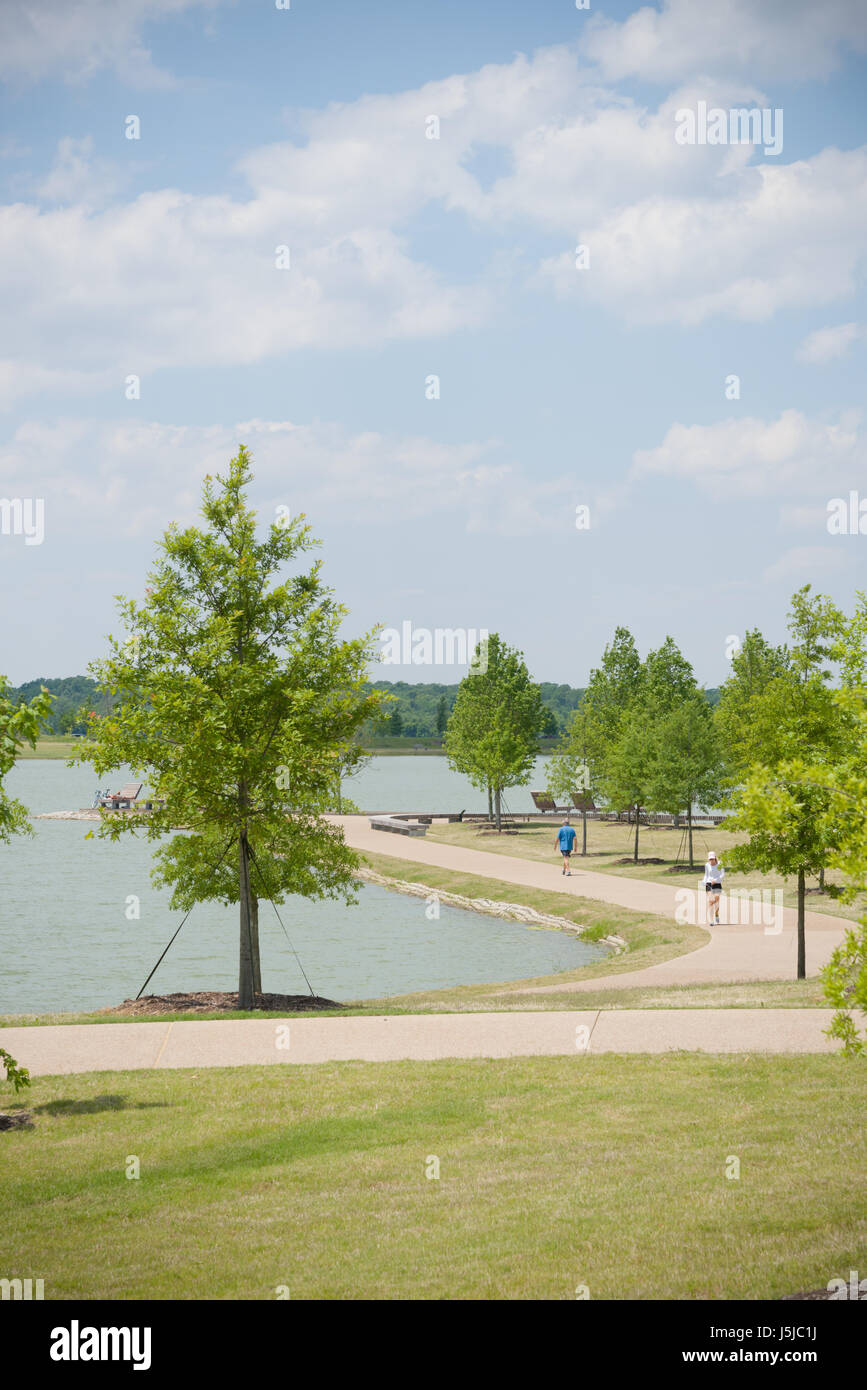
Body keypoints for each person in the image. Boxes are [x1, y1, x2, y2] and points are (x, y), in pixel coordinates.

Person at [704, 851, 725, 925]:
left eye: (712, 859)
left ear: (715, 858)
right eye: (710, 859)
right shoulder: (707, 865)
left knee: (716, 901)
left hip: (717, 884)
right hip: (709, 884)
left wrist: (715, 880)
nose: (711, 861)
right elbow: (706, 875)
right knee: (711, 901)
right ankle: (711, 920)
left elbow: (722, 875)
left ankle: (716, 914)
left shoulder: (720, 864)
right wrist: (704, 881)